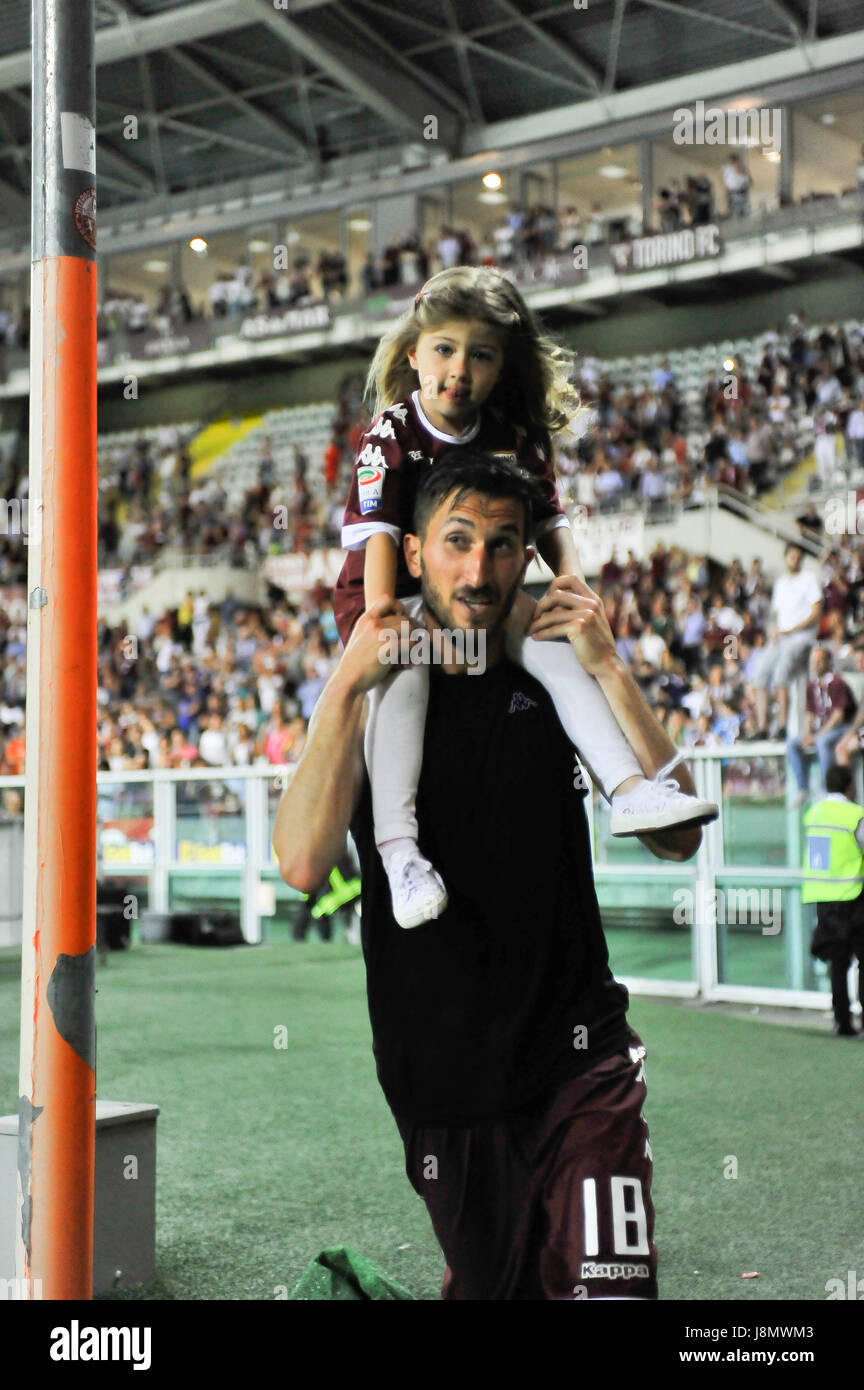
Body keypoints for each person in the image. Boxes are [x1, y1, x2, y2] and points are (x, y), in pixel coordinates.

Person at [273, 452, 705, 1300]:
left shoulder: (553, 666)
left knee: (612, 1290)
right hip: (441, 1077)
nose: (480, 570)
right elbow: (300, 863)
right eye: (459, 541)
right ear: (416, 549)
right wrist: (342, 689)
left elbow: (679, 839)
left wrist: (612, 664)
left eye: (505, 545)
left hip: (581, 1057)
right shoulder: (379, 689)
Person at [332, 265, 716, 928]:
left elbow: (548, 523)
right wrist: (383, 626)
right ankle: (399, 853)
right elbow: (380, 544)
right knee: (405, 676)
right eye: (445, 350)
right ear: (413, 354)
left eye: (480, 356)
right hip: (395, 593)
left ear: (501, 366)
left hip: (482, 599)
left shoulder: (513, 435)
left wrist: (573, 592)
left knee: (556, 649)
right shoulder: (388, 437)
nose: (460, 369)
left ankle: (628, 790)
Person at [803, 764, 864, 1037]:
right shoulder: (855, 814)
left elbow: (819, 856)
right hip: (853, 896)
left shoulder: (814, 813)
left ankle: (842, 1022)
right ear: (850, 785)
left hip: (824, 898)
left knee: (837, 963)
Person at [750, 543, 822, 739]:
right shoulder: (781, 583)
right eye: (792, 556)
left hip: (801, 638)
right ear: (785, 558)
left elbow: (816, 612)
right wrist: (773, 630)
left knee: (781, 674)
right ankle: (762, 727)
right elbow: (775, 613)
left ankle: (782, 725)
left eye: (798, 557)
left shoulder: (809, 579)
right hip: (780, 639)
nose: (795, 560)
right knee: (759, 674)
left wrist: (794, 629)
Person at [786, 646, 855, 806]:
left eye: (819, 661)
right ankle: (803, 787)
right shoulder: (812, 685)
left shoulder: (837, 682)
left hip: (842, 728)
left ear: (828, 662)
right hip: (821, 729)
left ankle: (826, 789)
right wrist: (807, 733)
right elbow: (809, 713)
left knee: (823, 742)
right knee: (793, 744)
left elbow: (839, 715)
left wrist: (818, 735)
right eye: (813, 661)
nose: (815, 664)